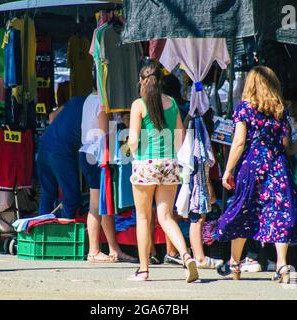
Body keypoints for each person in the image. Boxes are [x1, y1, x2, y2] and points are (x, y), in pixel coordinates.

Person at [215, 66, 297, 283]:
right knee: (280, 210)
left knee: (244, 209)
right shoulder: (280, 110)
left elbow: (238, 142)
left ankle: (235, 262)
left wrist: (227, 170)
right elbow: (285, 142)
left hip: (252, 163)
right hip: (277, 164)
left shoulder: (245, 108)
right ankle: (282, 265)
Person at [127, 63, 199, 282]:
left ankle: (144, 270)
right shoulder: (172, 103)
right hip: (169, 164)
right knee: (166, 216)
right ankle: (186, 257)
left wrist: (132, 150)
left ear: (141, 81)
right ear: (160, 81)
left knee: (143, 216)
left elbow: (133, 140)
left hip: (145, 165)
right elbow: (180, 135)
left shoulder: (138, 105)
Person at [162, 73, 222, 269]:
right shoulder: (187, 108)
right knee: (196, 210)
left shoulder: (167, 109)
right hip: (191, 163)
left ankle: (173, 252)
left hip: (174, 161)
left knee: (170, 211)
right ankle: (194, 255)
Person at [79, 79, 137, 263]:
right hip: (96, 155)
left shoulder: (90, 98)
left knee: (104, 205)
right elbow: (106, 132)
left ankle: (113, 249)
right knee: (98, 205)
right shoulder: (101, 103)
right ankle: (94, 251)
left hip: (87, 152)